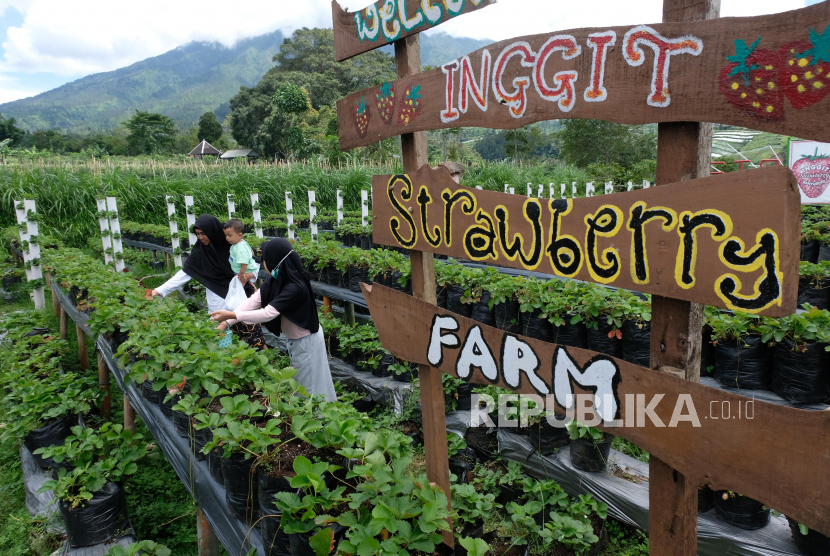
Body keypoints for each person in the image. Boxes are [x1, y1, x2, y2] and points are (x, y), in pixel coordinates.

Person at [210, 238, 336, 401]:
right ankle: (319, 415)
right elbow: (253, 302)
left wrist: (233, 316)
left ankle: (319, 419)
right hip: (296, 341)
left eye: (264, 261)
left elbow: (268, 313)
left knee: (309, 387)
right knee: (303, 384)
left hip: (306, 342)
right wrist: (225, 323)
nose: (263, 265)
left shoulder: (295, 287)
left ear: (273, 261)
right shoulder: (276, 280)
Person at [151, 214, 266, 350]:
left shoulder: (232, 244)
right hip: (216, 297)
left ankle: (258, 362)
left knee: (250, 334)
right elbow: (185, 273)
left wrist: (247, 276)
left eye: (204, 233)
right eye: (198, 234)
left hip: (240, 295)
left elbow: (254, 264)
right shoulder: (201, 251)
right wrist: (158, 291)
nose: (201, 237)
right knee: (222, 337)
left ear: (212, 231)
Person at [223, 218, 257, 285]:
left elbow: (244, 262)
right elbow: (250, 251)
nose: (227, 238)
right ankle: (254, 291)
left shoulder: (239, 248)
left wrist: (242, 274)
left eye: (229, 235)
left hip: (246, 271)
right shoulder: (240, 243)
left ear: (239, 235)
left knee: (238, 284)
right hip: (245, 270)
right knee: (247, 284)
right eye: (226, 235)